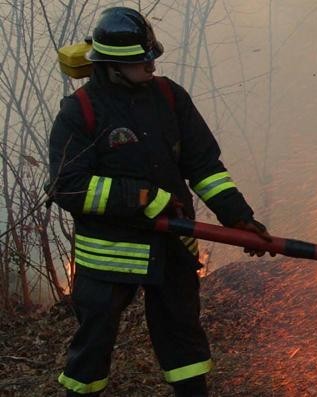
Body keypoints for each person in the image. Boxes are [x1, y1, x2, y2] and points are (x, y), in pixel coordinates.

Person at [48, 7, 271, 396]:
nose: (151, 66)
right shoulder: (80, 111)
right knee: (93, 348)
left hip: (171, 247)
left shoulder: (170, 97)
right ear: (113, 66)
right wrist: (142, 197)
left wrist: (238, 216)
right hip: (109, 255)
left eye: (151, 57)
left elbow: (204, 166)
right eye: (142, 61)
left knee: (183, 338)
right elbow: (68, 186)